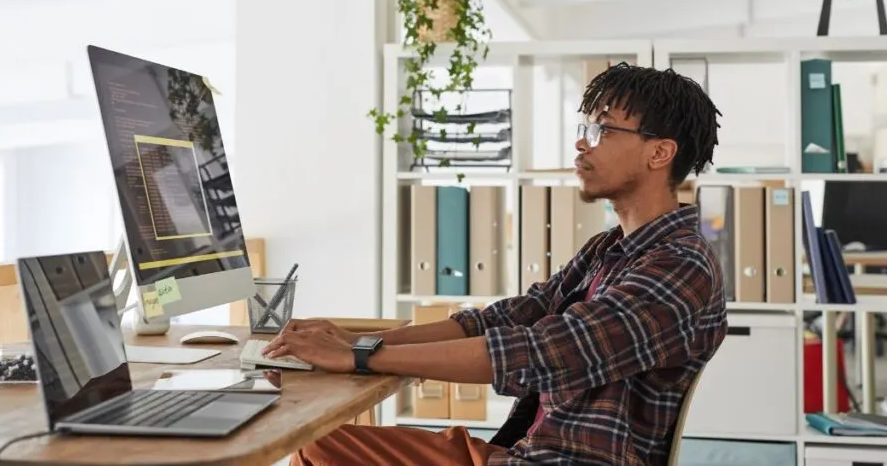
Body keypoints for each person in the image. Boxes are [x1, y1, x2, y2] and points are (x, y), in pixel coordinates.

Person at [265, 62, 729, 466]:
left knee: (318, 449)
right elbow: (505, 319)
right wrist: (363, 342)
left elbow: (545, 351)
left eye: (602, 130)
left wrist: (361, 357)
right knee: (323, 444)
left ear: (659, 152)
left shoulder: (681, 265)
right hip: (528, 451)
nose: (582, 145)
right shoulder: (608, 249)